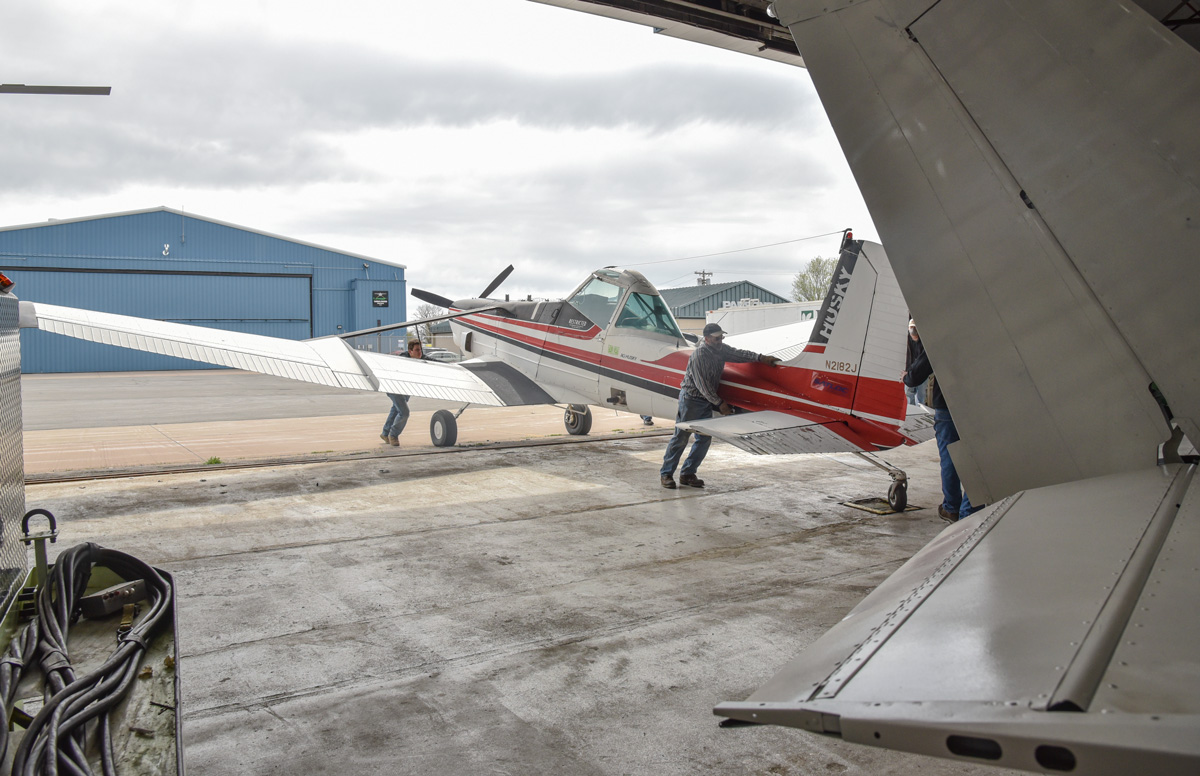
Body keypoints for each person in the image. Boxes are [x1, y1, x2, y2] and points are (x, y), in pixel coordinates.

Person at [660, 323, 781, 489]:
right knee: (681, 438)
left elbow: (739, 354)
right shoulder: (699, 356)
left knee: (704, 439)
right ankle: (666, 474)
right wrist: (719, 403)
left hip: (704, 401)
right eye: (717, 338)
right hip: (691, 400)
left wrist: (761, 358)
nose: (720, 341)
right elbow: (703, 386)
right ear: (707, 339)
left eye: (721, 338)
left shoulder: (721, 350)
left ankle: (688, 473)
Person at [903, 344, 974, 522]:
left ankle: (952, 509)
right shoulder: (981, 333)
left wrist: (907, 377)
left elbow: (915, 376)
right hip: (977, 405)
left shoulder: (941, 336)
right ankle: (971, 511)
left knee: (949, 458)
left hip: (946, 403)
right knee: (977, 458)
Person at [381, 339, 426, 445]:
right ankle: (393, 435)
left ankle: (385, 433)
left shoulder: (421, 358)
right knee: (404, 412)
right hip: (393, 387)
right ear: (410, 352)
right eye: (417, 350)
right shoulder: (402, 360)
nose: (420, 353)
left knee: (396, 410)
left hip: (405, 388)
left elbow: (432, 360)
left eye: (420, 350)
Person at [904, 320, 927, 406]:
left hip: (921, 372)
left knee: (921, 396)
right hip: (909, 371)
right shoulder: (906, 340)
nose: (913, 329)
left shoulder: (923, 341)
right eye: (911, 327)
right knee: (909, 396)